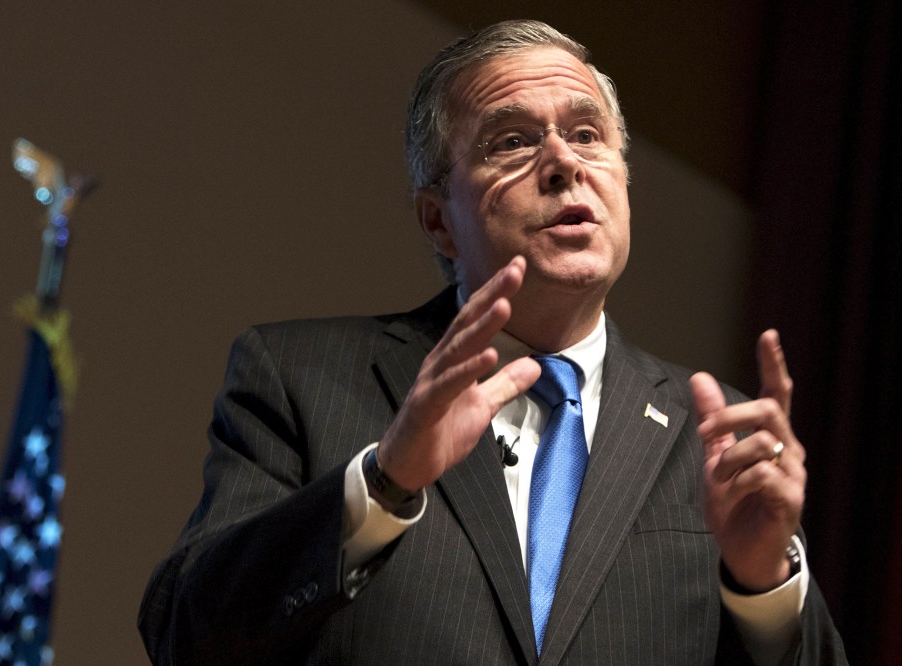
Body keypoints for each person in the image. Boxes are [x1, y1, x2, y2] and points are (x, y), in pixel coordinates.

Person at [139, 19, 847, 664]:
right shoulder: (300, 377)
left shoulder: (717, 431)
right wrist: (384, 484)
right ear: (438, 222)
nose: (564, 163)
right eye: (512, 140)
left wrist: (764, 583)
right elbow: (184, 635)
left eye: (588, 134)